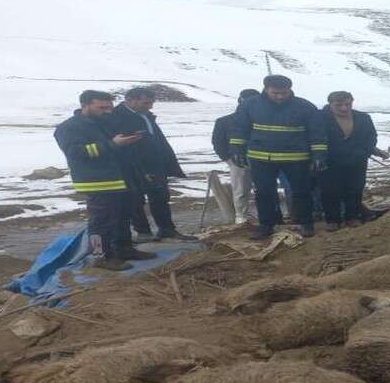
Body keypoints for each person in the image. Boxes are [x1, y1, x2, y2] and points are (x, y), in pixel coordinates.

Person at [53, 90, 155, 270]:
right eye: (102, 107)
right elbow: (75, 153)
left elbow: (114, 146)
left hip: (119, 179)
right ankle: (101, 257)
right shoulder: (69, 127)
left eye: (110, 107)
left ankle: (124, 249)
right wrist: (113, 144)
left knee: (123, 216)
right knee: (101, 222)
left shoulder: (104, 123)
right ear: (85, 105)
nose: (108, 111)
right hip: (97, 182)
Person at [229, 75, 326, 239]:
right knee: (264, 193)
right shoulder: (250, 105)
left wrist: (319, 155)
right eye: (275, 93)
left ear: (290, 90)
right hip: (261, 158)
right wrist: (237, 150)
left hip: (297, 158)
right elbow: (240, 129)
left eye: (284, 93)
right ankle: (266, 225)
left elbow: (317, 133)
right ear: (266, 89)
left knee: (302, 192)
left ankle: (306, 223)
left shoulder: (305, 106)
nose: (280, 97)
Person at [107, 87, 196, 242]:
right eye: (146, 102)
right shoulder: (117, 118)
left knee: (160, 197)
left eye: (151, 102)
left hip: (156, 165)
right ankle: (143, 232)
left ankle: (167, 230)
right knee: (136, 200)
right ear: (131, 100)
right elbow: (125, 147)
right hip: (133, 167)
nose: (150, 106)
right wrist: (141, 169)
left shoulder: (146, 116)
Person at [317, 91, 377, 230]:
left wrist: (364, 152)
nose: (344, 108)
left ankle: (352, 217)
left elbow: (371, 137)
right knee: (330, 190)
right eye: (339, 105)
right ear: (330, 104)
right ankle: (332, 220)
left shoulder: (363, 117)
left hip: (357, 160)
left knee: (355, 189)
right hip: (330, 161)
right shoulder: (320, 118)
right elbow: (315, 136)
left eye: (347, 104)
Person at [212, 89, 260, 225]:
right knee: (240, 190)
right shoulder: (224, 121)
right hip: (238, 161)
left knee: (265, 188)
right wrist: (228, 159)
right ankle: (241, 217)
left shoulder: (264, 120)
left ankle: (269, 215)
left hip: (263, 160)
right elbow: (218, 142)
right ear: (240, 102)